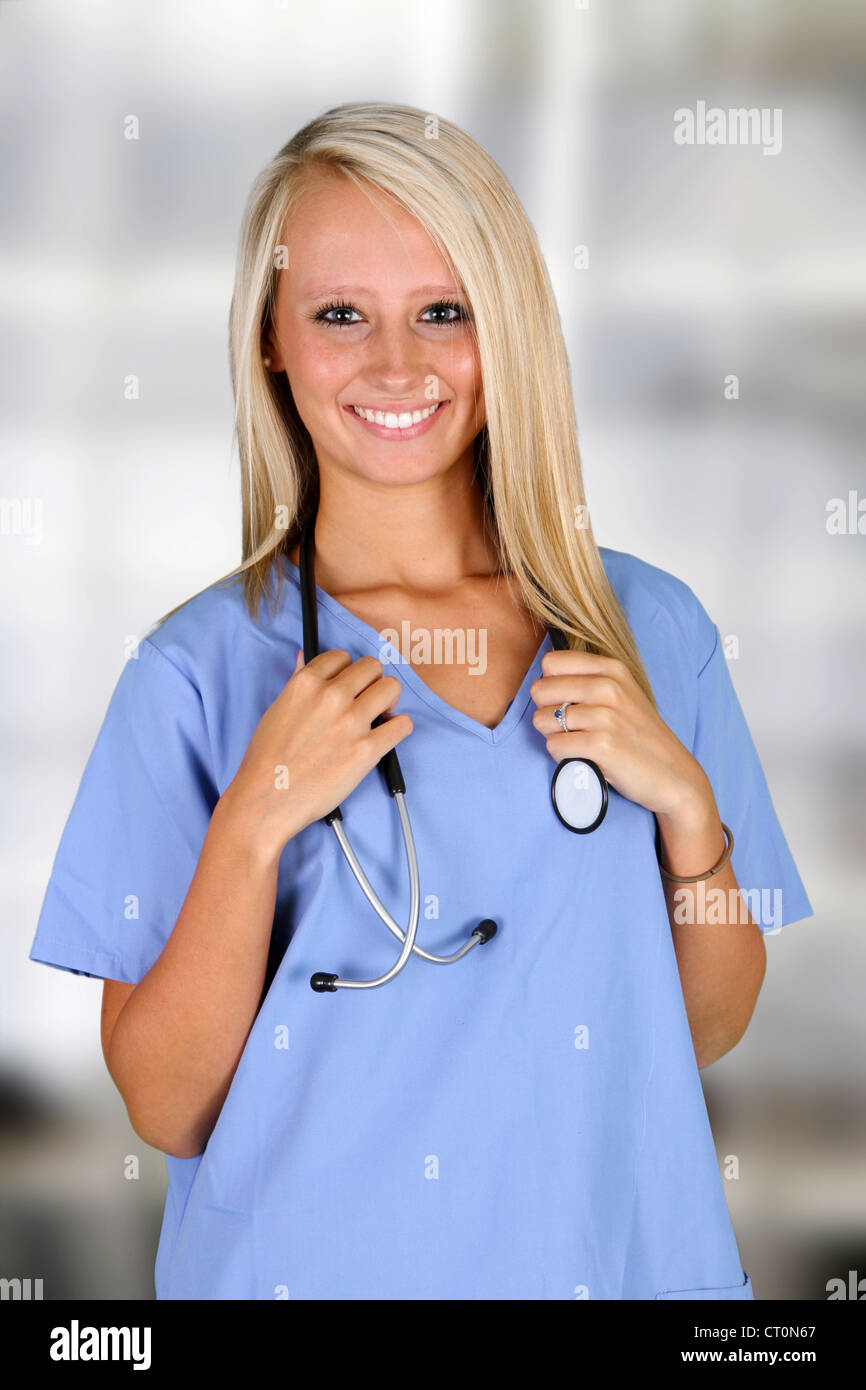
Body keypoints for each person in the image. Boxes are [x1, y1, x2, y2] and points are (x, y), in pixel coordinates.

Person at [29, 102, 812, 1300]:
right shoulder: (196, 673)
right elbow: (168, 1105)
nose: (396, 365)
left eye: (442, 312)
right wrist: (252, 823)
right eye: (340, 314)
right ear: (270, 343)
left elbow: (699, 1033)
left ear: (503, 332)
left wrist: (693, 822)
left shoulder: (650, 632)